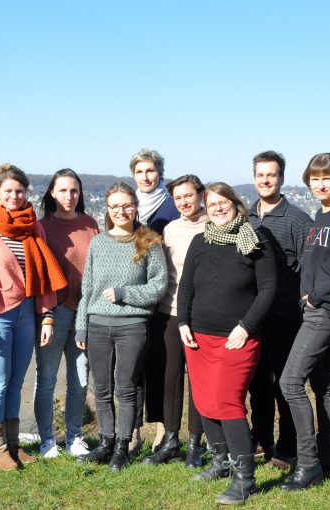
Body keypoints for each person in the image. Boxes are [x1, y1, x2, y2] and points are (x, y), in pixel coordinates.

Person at [177, 182, 277, 505]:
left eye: (224, 202)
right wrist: (182, 323)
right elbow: (187, 286)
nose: (218, 208)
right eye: (212, 203)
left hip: (238, 338)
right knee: (205, 400)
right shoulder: (199, 241)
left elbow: (268, 288)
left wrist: (247, 326)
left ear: (236, 204)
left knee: (228, 401)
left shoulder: (254, 240)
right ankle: (221, 462)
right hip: (199, 338)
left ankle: (245, 477)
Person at [0, 163, 67, 471]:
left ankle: (13, 445)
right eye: (7, 190)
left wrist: (47, 316)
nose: (14, 196)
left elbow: (44, 274)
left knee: (17, 381)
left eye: (19, 191)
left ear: (26, 192)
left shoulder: (34, 225)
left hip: (27, 312)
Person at [278, 153, 330, 491]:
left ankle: (308, 463)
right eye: (314, 179)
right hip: (311, 311)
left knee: (289, 383)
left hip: (326, 312)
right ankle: (328, 457)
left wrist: (317, 296)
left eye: (326, 177)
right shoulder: (319, 215)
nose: (320, 184)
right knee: (322, 384)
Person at [75, 182, 167, 471]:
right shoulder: (99, 242)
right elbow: (87, 287)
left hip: (133, 326)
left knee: (126, 388)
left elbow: (159, 285)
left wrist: (125, 294)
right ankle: (105, 443)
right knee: (101, 388)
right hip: (97, 325)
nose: (121, 211)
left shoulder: (149, 240)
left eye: (126, 205)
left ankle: (123, 447)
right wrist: (81, 326)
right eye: (114, 206)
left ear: (135, 206)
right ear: (107, 209)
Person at [247, 150, 312, 469]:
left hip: (287, 316)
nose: (265, 180)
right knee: (256, 382)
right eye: (260, 174)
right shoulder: (245, 217)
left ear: (282, 179)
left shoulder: (298, 220)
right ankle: (261, 440)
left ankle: (288, 448)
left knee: (286, 384)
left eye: (271, 174)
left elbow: (311, 268)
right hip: (254, 315)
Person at [143, 174, 207, 468]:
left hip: (202, 315)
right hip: (170, 312)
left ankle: (195, 442)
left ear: (200, 195)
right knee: (170, 378)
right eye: (178, 198)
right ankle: (170, 440)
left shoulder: (213, 226)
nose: (183, 202)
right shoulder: (169, 230)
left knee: (198, 380)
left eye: (188, 196)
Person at [34, 169, 99, 459]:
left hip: (85, 312)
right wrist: (46, 312)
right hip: (54, 312)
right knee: (47, 379)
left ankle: (74, 437)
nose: (69, 196)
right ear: (51, 193)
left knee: (79, 379)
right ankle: (47, 439)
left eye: (74, 191)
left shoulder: (91, 225)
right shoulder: (42, 227)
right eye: (62, 190)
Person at [129, 148, 180, 452]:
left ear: (160, 173)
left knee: (163, 367)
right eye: (139, 171)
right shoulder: (127, 208)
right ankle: (133, 430)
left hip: (165, 299)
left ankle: (163, 430)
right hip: (134, 300)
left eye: (150, 171)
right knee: (133, 368)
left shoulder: (172, 208)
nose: (145, 177)